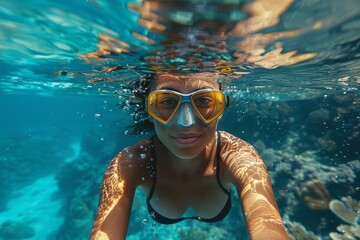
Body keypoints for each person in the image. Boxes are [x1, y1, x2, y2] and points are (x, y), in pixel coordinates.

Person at [89, 72, 290, 240]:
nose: (186, 123)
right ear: (149, 111)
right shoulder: (129, 164)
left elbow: (268, 227)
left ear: (220, 110)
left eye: (203, 101)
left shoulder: (239, 156)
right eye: (167, 102)